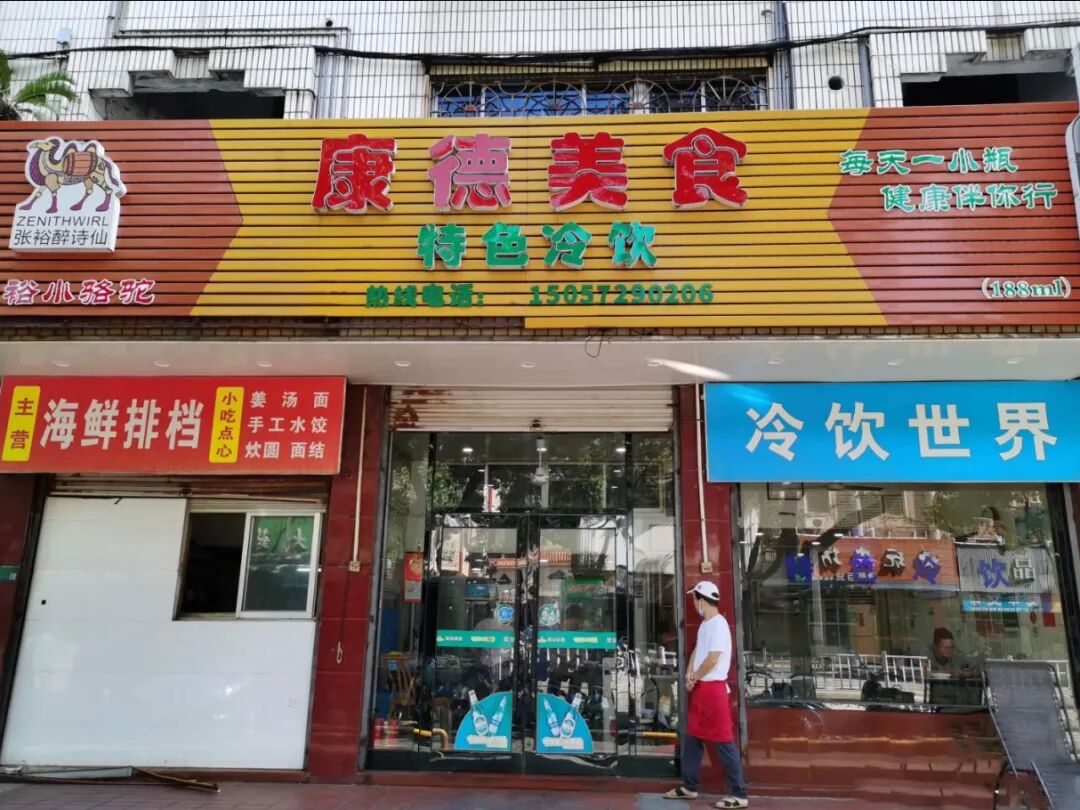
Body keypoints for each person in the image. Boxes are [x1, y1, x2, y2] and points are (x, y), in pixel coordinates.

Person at [664, 581, 748, 809]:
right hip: (702, 689)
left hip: (714, 691)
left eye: (694, 599)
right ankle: (689, 786)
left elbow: (712, 659)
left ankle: (739, 793)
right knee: (693, 739)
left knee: (724, 742)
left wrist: (696, 676)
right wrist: (690, 674)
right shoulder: (705, 625)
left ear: (702, 600)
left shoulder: (719, 624)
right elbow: (697, 652)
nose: (693, 603)